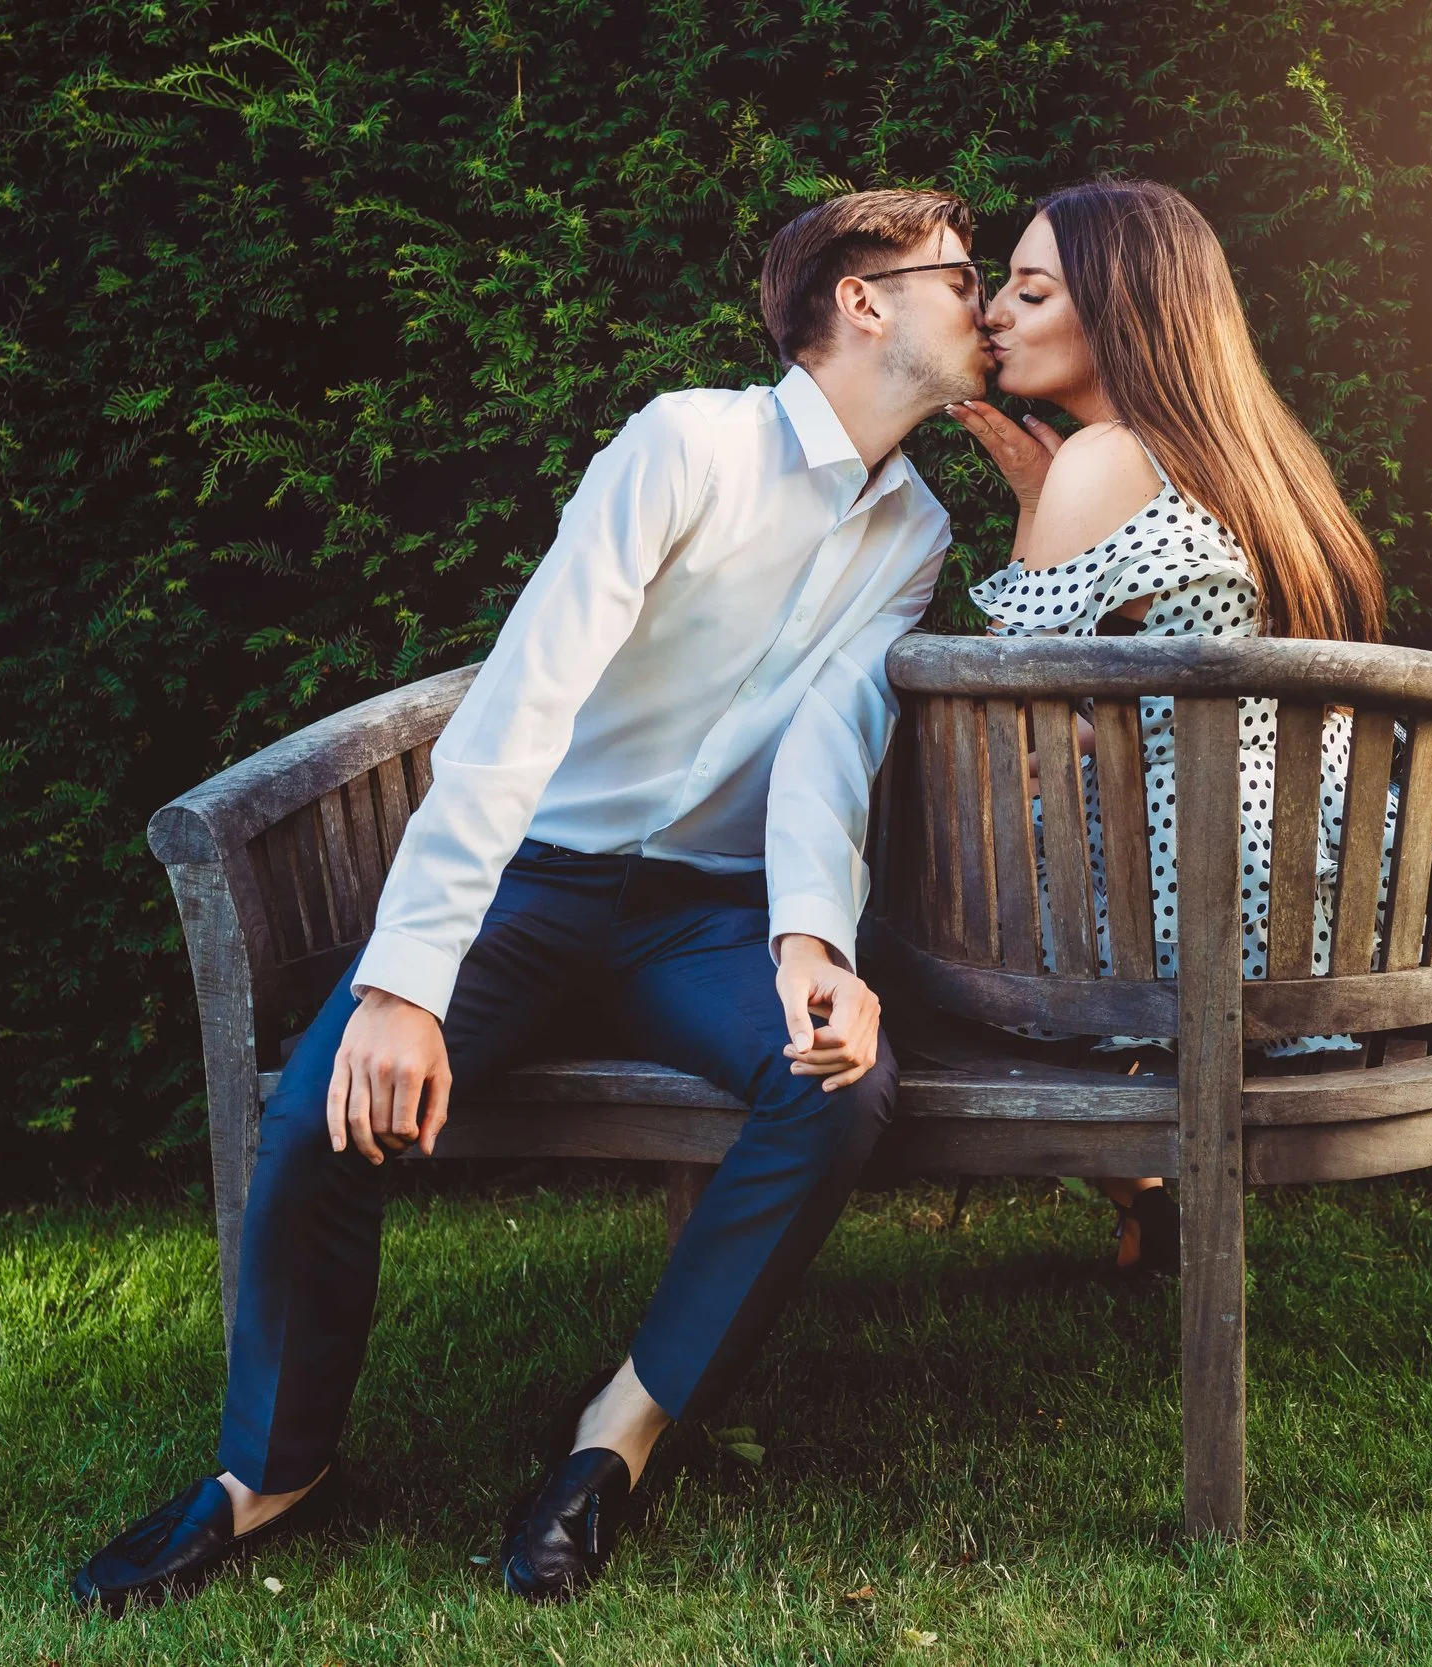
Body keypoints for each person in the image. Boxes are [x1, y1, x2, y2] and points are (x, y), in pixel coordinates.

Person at [72, 189, 996, 1612]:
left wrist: (813, 943)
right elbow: (526, 693)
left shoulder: (916, 527)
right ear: (863, 298)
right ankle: (271, 1472)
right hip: (529, 885)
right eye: (959, 274)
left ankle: (613, 1436)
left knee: (842, 1081)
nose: (984, 301)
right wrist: (404, 981)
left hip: (705, 913)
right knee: (326, 1105)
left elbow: (832, 739)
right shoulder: (689, 441)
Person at [947, 178, 1393, 1275]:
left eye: (1029, 289)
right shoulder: (1261, 463)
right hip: (1329, 909)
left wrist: (1033, 513)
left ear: (1123, 313)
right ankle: (1152, 1199)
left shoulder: (1106, 458)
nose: (993, 313)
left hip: (1189, 922)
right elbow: (1140, 713)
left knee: (899, 890)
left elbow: (1019, 744)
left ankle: (1142, 1178)